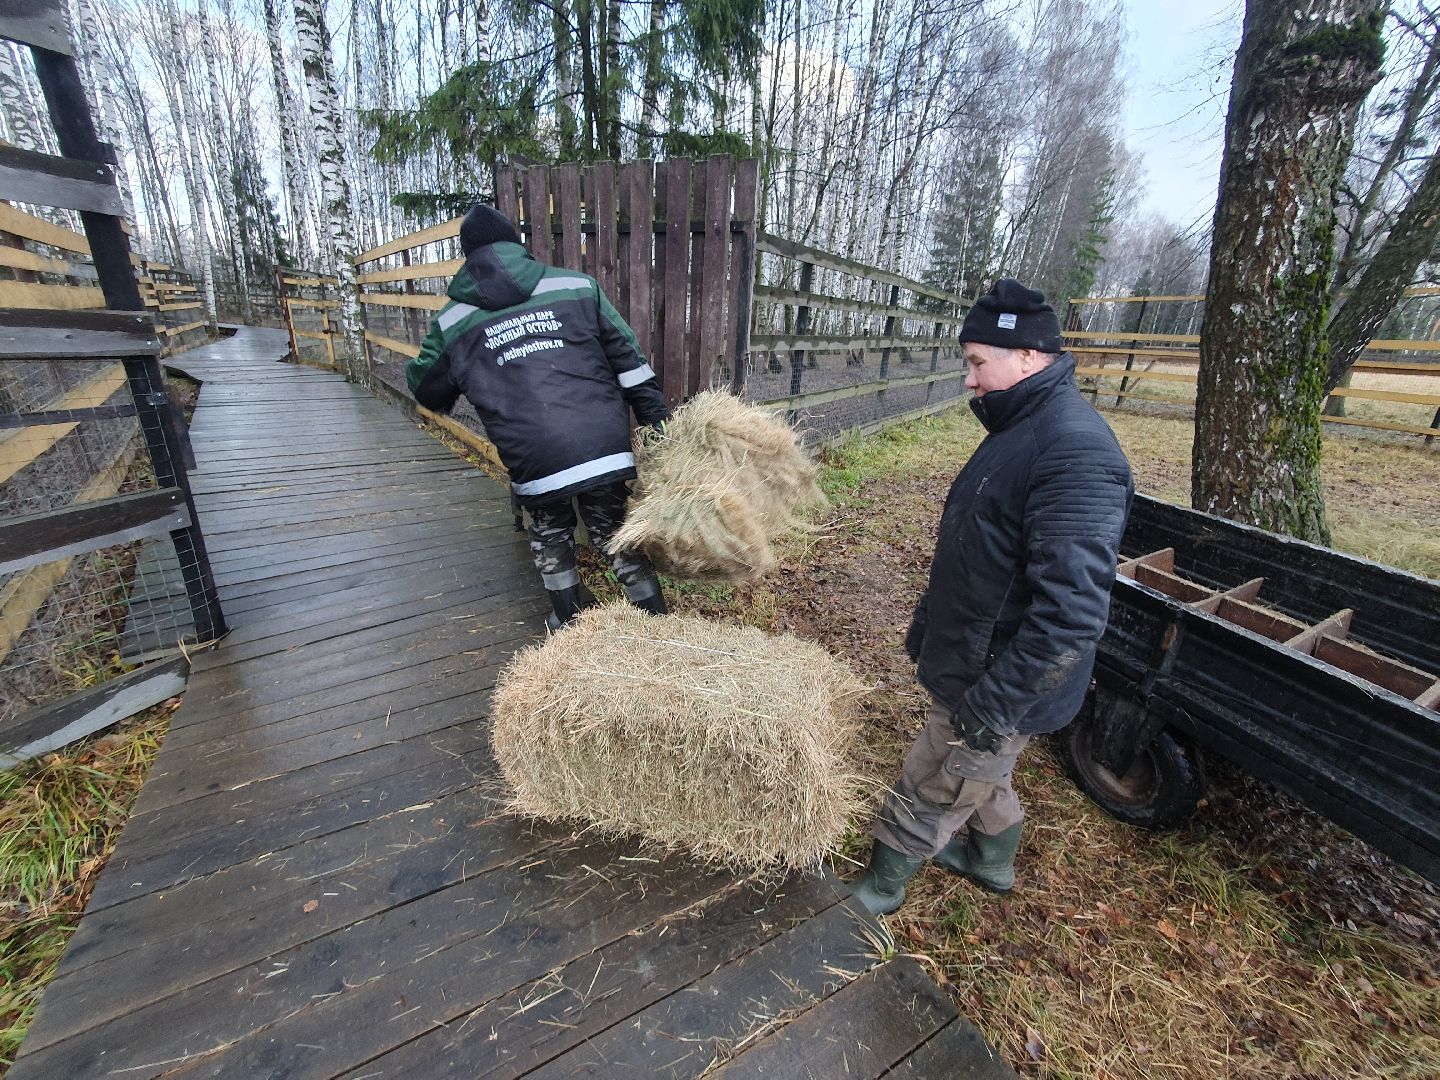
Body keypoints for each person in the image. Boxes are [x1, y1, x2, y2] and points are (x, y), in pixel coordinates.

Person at [851, 279, 1134, 916]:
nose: (969, 379)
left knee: (941, 772)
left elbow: (1072, 612)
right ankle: (990, 860)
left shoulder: (1075, 453)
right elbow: (982, 549)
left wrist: (998, 701)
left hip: (1000, 673)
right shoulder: (1021, 425)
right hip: (975, 650)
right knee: (986, 769)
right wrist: (930, 624)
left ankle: (881, 888)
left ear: (1028, 356)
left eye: (978, 362)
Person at [406, 204, 670, 630]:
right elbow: (631, 364)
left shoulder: (453, 320)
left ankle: (566, 619)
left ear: (468, 258)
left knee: (550, 531)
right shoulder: (577, 287)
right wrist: (658, 425)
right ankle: (657, 621)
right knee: (613, 530)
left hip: (532, 456)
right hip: (601, 445)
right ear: (517, 245)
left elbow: (427, 391)